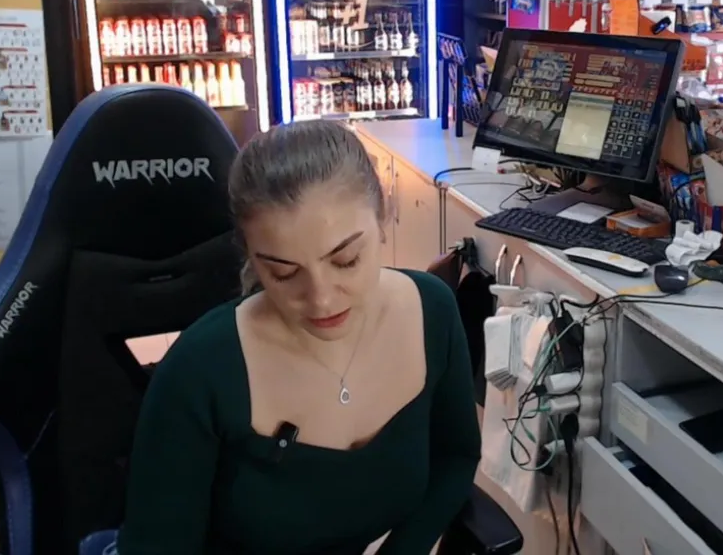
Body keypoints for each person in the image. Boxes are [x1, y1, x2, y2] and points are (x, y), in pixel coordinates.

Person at [117, 121, 480, 554]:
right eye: (283, 273)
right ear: (251, 258)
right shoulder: (199, 372)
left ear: (383, 215)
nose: (321, 299)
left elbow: (455, 460)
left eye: (346, 260)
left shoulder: (432, 312)